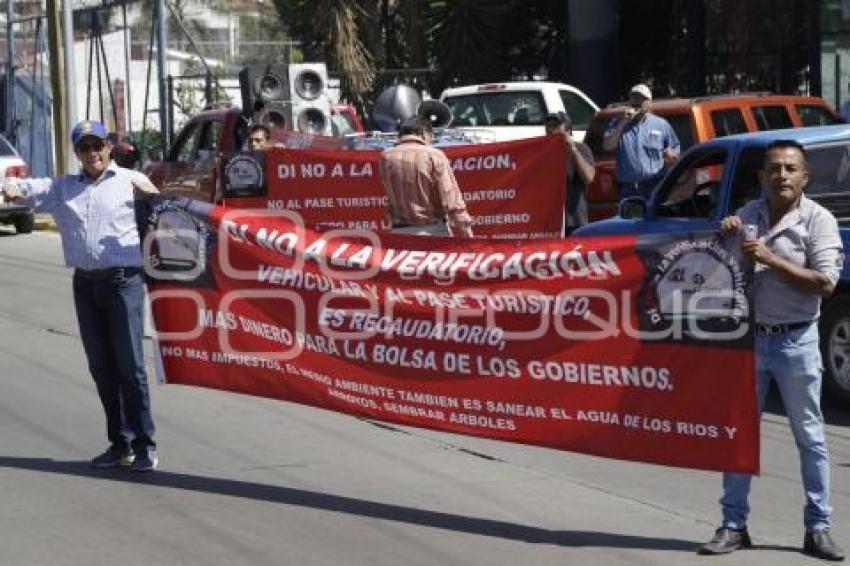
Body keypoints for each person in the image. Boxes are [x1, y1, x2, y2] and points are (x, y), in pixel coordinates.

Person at [699, 140, 845, 560]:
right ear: (761, 177)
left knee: (810, 437)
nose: (781, 175)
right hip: (749, 340)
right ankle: (732, 524)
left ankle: (817, 528)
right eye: (774, 169)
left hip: (796, 340)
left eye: (790, 168)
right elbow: (719, 272)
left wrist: (770, 258)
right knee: (740, 434)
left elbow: (825, 284)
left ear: (805, 177)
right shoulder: (748, 216)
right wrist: (723, 236)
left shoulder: (819, 222)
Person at [3, 120, 161, 472]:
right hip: (86, 285)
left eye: (97, 146)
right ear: (77, 153)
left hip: (124, 282)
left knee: (131, 367)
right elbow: (27, 186)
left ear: (109, 147)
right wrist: (11, 186)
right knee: (101, 367)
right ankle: (120, 444)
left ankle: (145, 445)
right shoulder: (64, 188)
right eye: (84, 148)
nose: (92, 154)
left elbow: (166, 214)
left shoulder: (131, 182)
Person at [379, 116, 473, 237]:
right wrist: (466, 232)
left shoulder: (386, 157)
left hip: (399, 233)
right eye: (431, 137)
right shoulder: (434, 155)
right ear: (423, 134)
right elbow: (450, 197)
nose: (430, 142)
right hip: (432, 232)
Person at [603, 83, 680, 200]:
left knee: (656, 217)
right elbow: (608, 146)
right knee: (630, 218)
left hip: (655, 186)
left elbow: (676, 151)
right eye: (634, 97)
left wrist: (671, 156)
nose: (637, 101)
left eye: (641, 98)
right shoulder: (617, 122)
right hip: (629, 189)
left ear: (650, 103)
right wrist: (623, 122)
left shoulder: (661, 124)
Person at [544, 111, 595, 235]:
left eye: (556, 126)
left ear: (568, 130)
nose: (551, 130)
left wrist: (572, 149)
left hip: (574, 221)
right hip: (550, 222)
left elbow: (589, 177)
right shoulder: (542, 153)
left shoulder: (581, 149)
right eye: (548, 126)